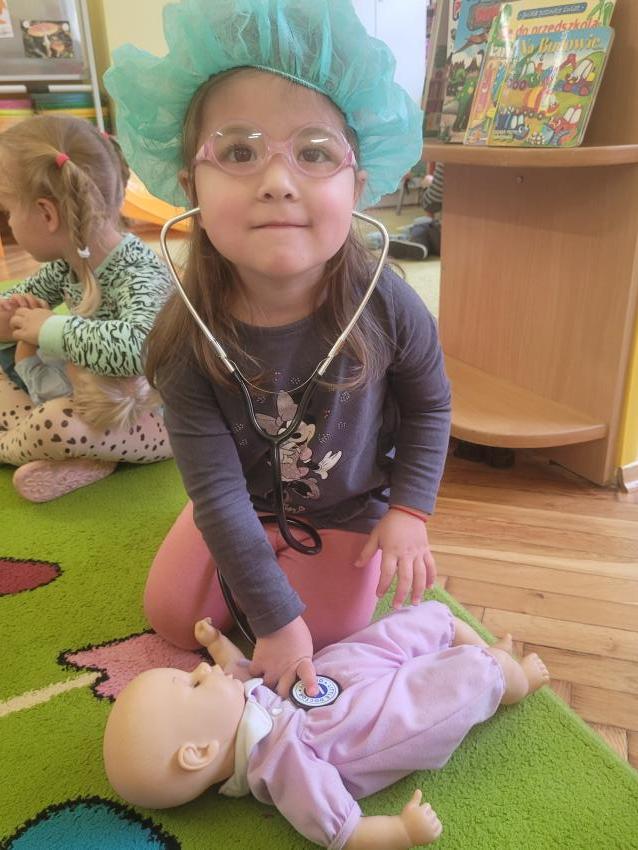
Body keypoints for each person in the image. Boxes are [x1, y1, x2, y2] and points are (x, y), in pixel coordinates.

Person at [105, 0, 451, 699]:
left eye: (314, 152)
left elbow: (430, 407)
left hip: (346, 505)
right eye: (238, 152)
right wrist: (272, 614)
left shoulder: (387, 304)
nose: (277, 180)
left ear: (357, 184)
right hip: (241, 498)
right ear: (189, 186)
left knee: (330, 632)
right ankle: (241, 536)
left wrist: (409, 512)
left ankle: (262, 550)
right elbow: (216, 488)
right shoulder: (186, 336)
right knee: (172, 616)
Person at [103, 601, 550, 849]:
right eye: (194, 683)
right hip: (369, 724)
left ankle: (475, 645)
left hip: (334, 676)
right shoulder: (282, 767)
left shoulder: (238, 702)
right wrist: (402, 831)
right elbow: (346, 833)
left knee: (416, 625)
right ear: (200, 752)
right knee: (459, 682)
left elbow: (238, 671)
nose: (201, 669)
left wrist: (218, 644)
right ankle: (512, 679)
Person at [0, 114, 174, 501]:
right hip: (88, 399)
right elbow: (20, 305)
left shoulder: (139, 271)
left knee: (54, 422)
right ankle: (83, 459)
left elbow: (140, 348)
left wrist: (48, 328)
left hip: (157, 421)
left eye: (7, 210)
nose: (8, 222)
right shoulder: (69, 263)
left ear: (47, 214)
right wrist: (9, 317)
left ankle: (22, 441)